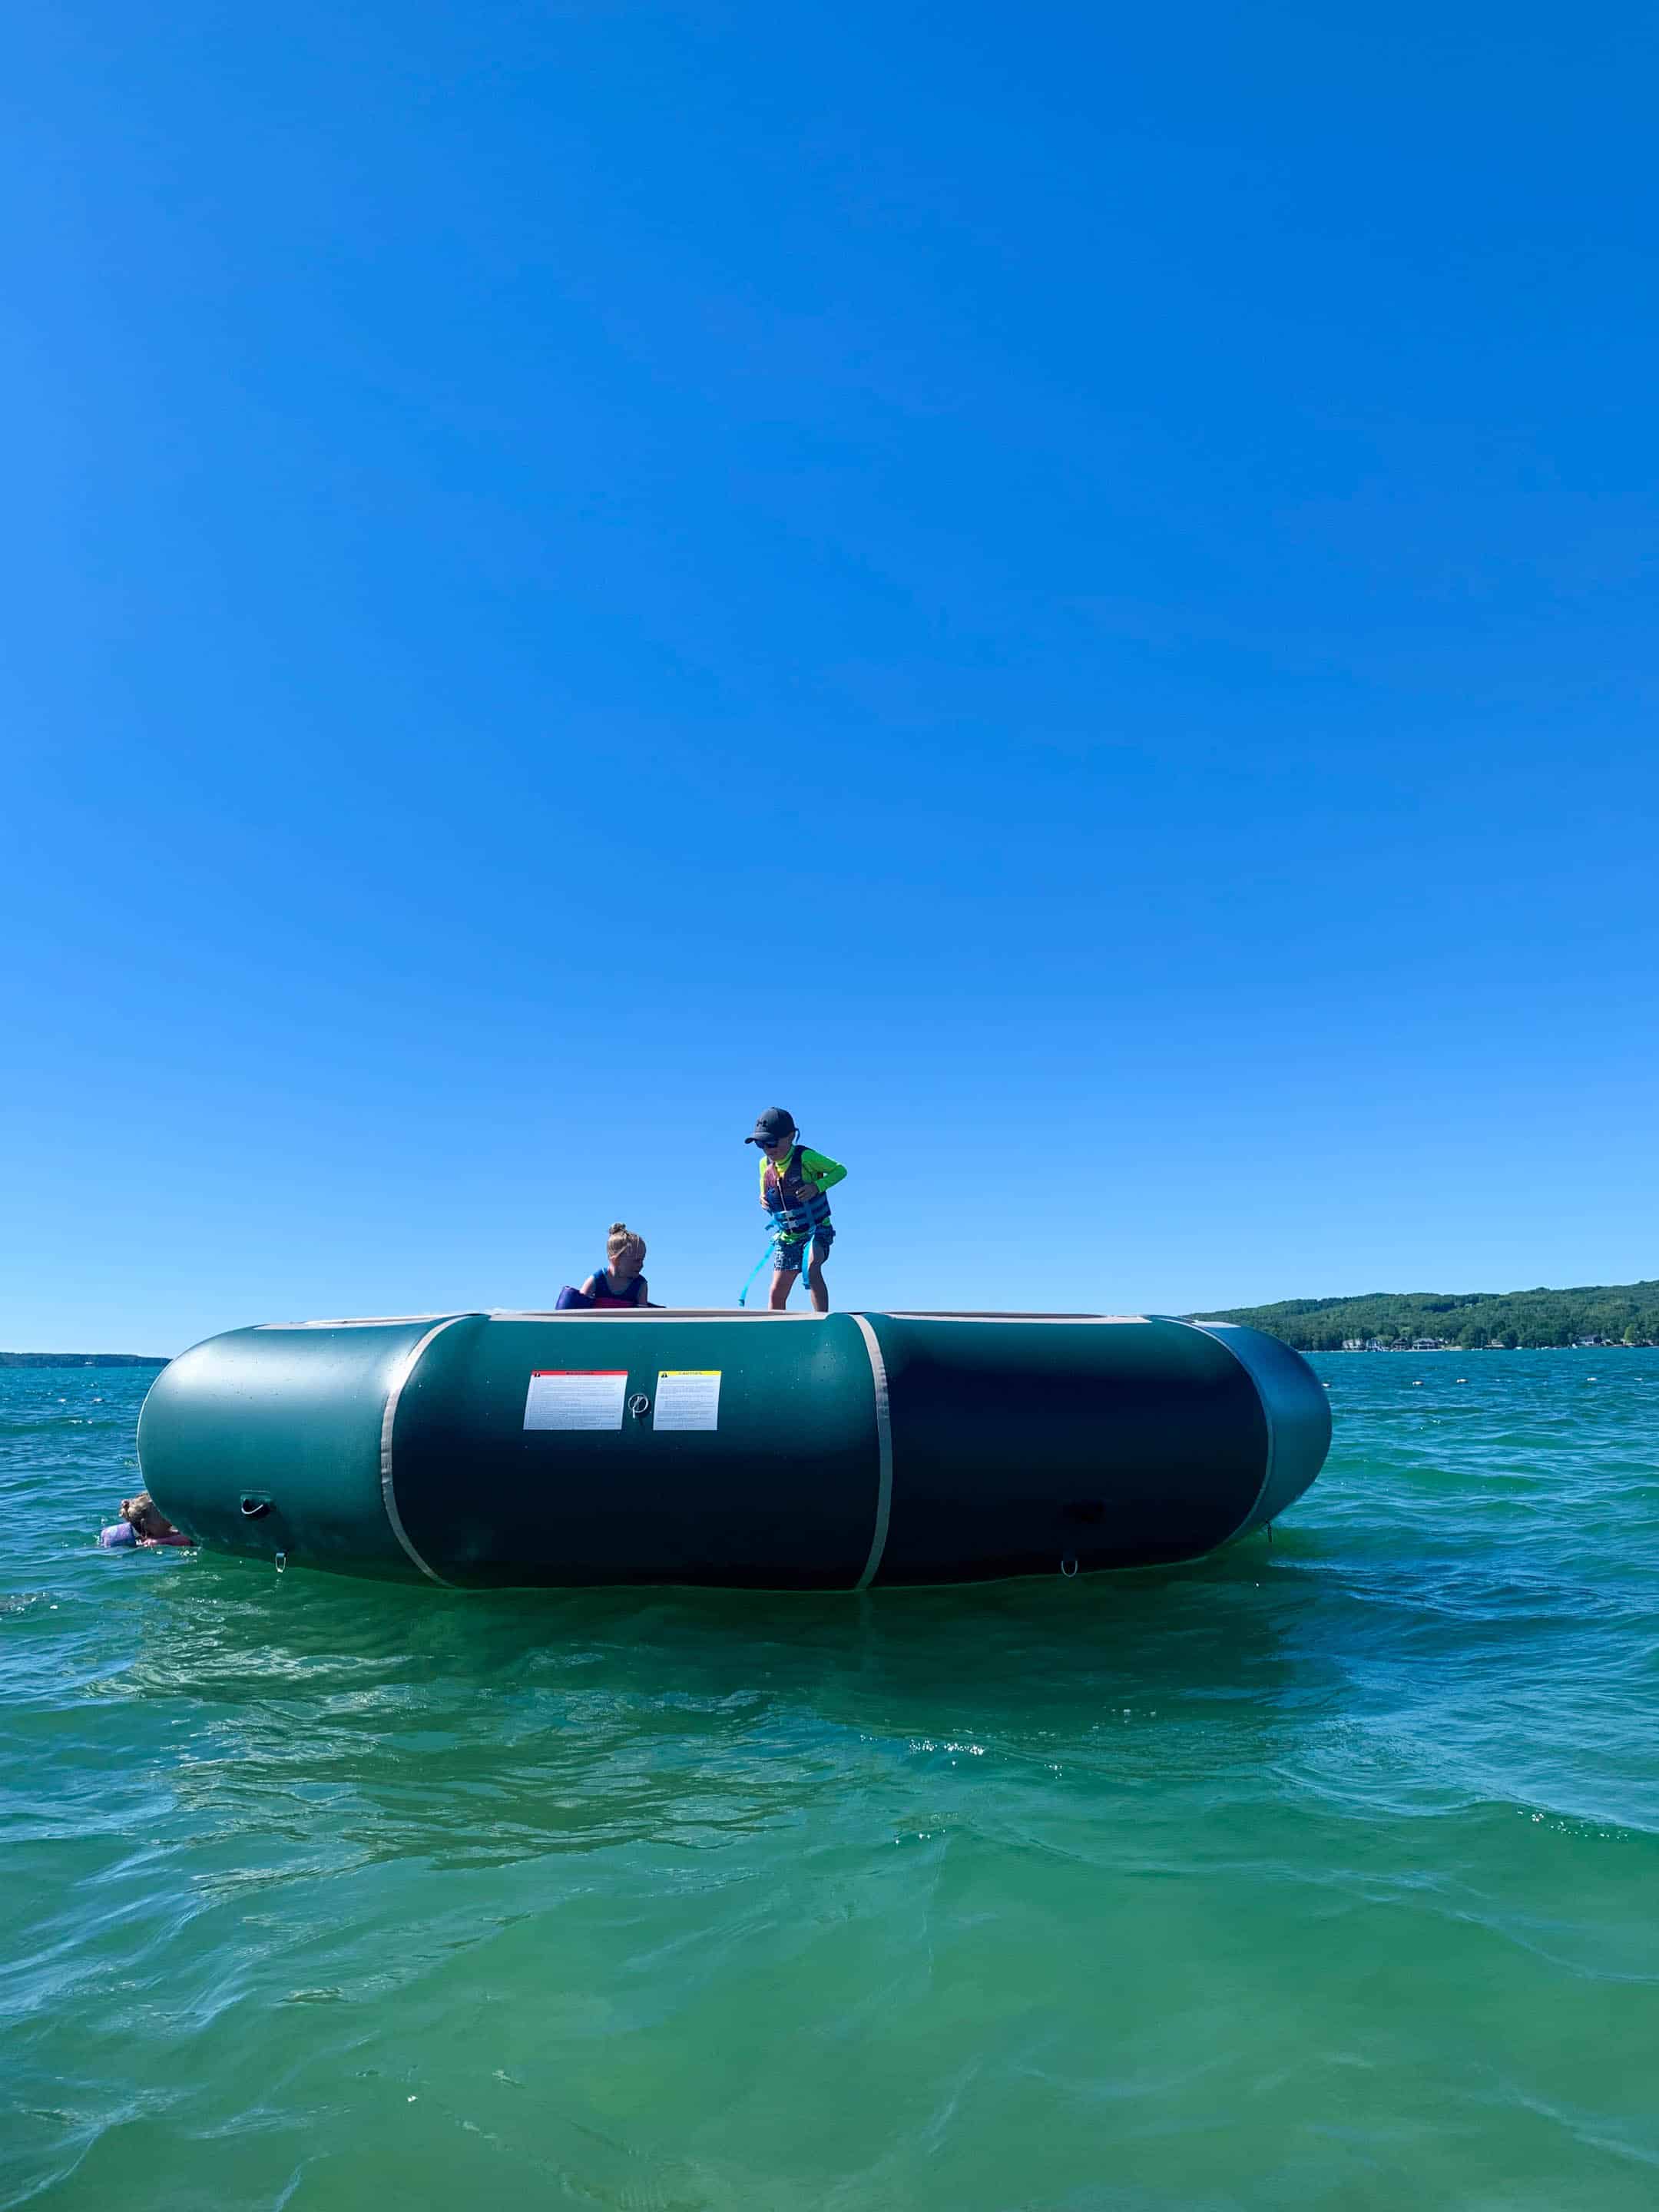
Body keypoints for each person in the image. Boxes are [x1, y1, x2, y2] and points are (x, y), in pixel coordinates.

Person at [745, 1108, 846, 1313]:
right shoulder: (764, 1164)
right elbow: (765, 1189)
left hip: (816, 1230)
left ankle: (821, 1318)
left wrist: (817, 1186)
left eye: (772, 1142)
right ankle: (776, 1325)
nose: (768, 1149)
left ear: (791, 1136)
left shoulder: (805, 1157)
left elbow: (840, 1170)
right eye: (761, 1144)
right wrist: (763, 1198)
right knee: (776, 1290)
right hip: (788, 1237)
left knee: (811, 1268)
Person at [570, 1224, 651, 1308]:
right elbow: (578, 1308)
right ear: (616, 1260)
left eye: (642, 1260)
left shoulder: (640, 1285)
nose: (641, 1265)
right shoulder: (597, 1280)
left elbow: (642, 1314)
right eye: (636, 1260)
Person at [99, 1492, 194, 1548]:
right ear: (146, 1524)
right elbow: (189, 1539)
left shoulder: (170, 1527)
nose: (164, 1510)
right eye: (158, 1510)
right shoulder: (156, 1541)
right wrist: (162, 1542)